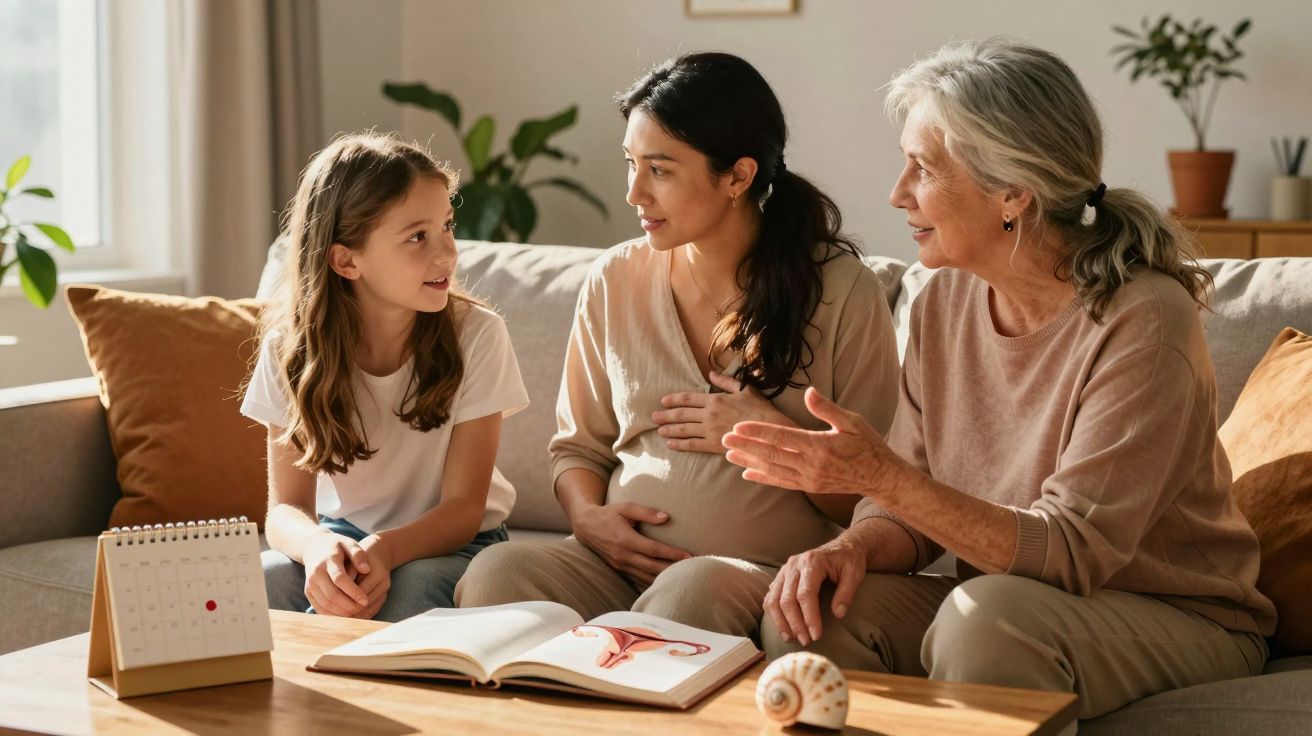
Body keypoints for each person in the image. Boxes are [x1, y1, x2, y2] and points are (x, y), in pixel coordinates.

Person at [724, 38, 1275, 724]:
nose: (897, 193)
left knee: (987, 621)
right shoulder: (942, 302)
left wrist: (879, 475)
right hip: (1015, 596)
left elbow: (1074, 551)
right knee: (812, 613)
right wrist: (849, 545)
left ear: (1013, 192)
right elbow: (911, 507)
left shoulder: (1144, 318)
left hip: (1177, 613)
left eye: (923, 169)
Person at [455, 52, 900, 639]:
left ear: (737, 177)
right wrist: (589, 519)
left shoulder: (843, 292)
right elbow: (578, 449)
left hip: (757, 576)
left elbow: (874, 496)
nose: (634, 193)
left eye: (659, 170)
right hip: (614, 567)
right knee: (496, 574)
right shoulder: (615, 279)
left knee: (689, 592)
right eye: (631, 164)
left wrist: (772, 438)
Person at [243, 132, 529, 622]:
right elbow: (285, 510)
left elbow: (464, 509)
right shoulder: (288, 351)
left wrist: (385, 551)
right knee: (260, 582)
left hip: (459, 544)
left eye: (447, 227)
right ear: (346, 260)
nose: (446, 253)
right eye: (417, 237)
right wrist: (316, 547)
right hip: (343, 538)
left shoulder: (478, 336)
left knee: (408, 592)